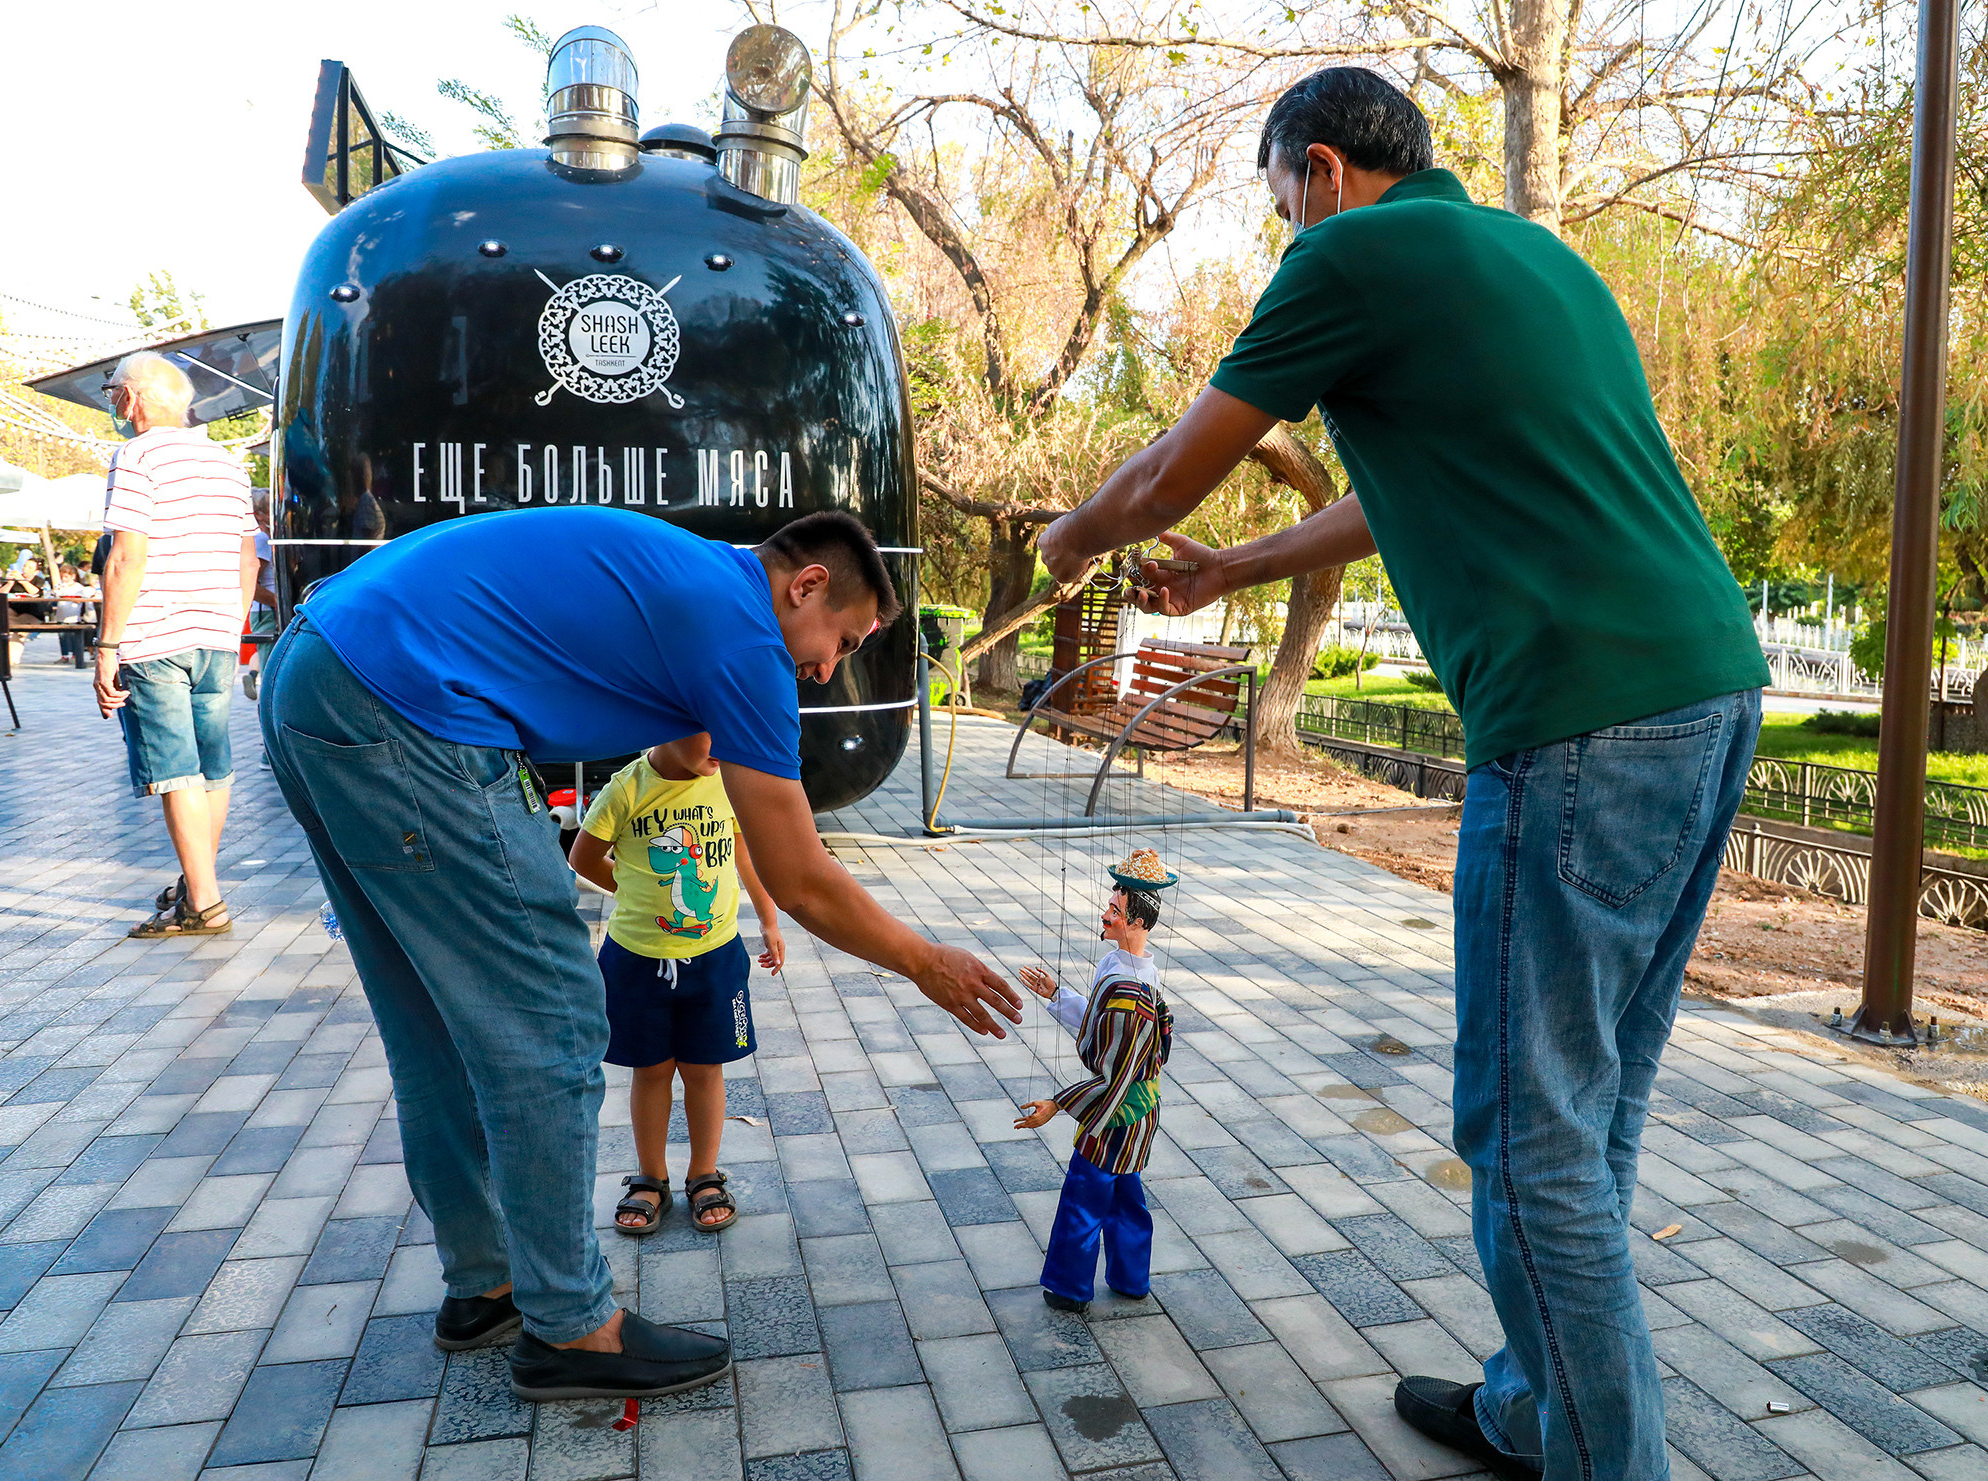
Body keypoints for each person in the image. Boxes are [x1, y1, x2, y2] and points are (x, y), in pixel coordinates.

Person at [1036, 68, 1768, 1481]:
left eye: (1277, 207)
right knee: (1590, 1108)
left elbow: (1169, 473)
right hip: (1706, 697)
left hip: (1574, 722)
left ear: (1320, 170)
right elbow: (1398, 494)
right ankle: (1533, 1408)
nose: (1282, 238)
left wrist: (1074, 540)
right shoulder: (1528, 259)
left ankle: (1613, 1460)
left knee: (1525, 1137)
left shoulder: (1353, 255)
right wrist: (1243, 567)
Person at [258, 504, 1019, 1403]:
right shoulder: (745, 634)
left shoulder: (697, 574)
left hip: (313, 668)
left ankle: (487, 1281)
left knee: (431, 1017)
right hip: (404, 704)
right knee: (555, 1018)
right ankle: (572, 1327)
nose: (827, 668)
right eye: (842, 640)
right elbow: (802, 878)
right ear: (805, 583)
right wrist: (925, 960)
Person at [569, 731, 785, 1237]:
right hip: (638, 960)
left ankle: (703, 1175)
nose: (724, 743)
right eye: (709, 731)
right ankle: (651, 1178)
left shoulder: (729, 780)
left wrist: (769, 919)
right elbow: (582, 858)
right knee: (651, 1071)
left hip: (715, 957)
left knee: (705, 1069)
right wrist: (639, 891)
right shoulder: (626, 789)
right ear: (664, 722)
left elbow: (743, 854)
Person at [93, 353, 258, 939]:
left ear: (134, 399)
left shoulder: (136, 456)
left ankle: (204, 903)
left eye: (112, 392)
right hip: (215, 634)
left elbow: (126, 556)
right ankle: (195, 887)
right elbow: (247, 553)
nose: (112, 403)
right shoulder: (226, 461)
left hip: (154, 635)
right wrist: (231, 621)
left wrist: (108, 645)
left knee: (174, 771)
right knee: (213, 766)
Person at [1014, 850, 1175, 1315]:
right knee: (1125, 1193)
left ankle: (1068, 1287)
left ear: (1138, 924)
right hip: (1136, 1107)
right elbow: (1101, 1027)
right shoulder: (1128, 971)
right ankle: (1130, 1278)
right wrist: (1054, 995)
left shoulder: (1129, 992)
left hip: (1119, 1111)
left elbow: (1114, 1071)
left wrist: (1059, 1103)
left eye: (1116, 911)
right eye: (1110, 906)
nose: (1106, 915)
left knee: (1085, 1195)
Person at [242, 490, 276, 712]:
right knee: (270, 670)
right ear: (260, 514)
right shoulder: (261, 540)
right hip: (266, 612)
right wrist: (278, 602)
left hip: (264, 611)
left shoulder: (264, 539)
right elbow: (253, 585)